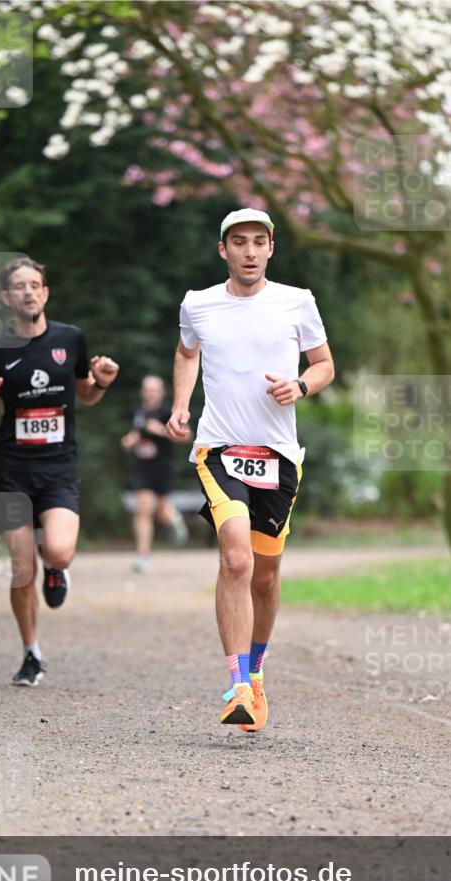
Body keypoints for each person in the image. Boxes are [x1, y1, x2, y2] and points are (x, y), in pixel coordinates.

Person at [167, 209, 335, 731]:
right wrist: (180, 406)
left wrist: (301, 386)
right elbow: (185, 351)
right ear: (223, 250)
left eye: (257, 242)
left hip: (280, 456)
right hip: (218, 448)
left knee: (265, 575)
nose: (248, 251)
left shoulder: (297, 301)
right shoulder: (198, 305)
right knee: (236, 557)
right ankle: (237, 684)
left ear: (270, 249)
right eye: (238, 242)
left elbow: (325, 364)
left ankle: (257, 675)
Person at [0, 258, 119, 687]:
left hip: (57, 468)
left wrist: (101, 380)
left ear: (45, 293)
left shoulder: (70, 338)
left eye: (35, 285)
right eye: (19, 286)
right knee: (21, 567)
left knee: (60, 551)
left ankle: (57, 567)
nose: (29, 292)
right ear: (6, 298)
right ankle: (31, 653)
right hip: (11, 469)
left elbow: (85, 394)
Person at [121, 374, 189, 572]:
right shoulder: (138, 412)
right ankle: (143, 556)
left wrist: (160, 430)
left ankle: (174, 519)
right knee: (143, 509)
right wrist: (129, 441)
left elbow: (187, 436)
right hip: (142, 467)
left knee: (161, 511)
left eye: (154, 390)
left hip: (162, 468)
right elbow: (135, 434)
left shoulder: (168, 411)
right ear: (142, 392)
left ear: (161, 392)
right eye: (147, 390)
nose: (150, 393)